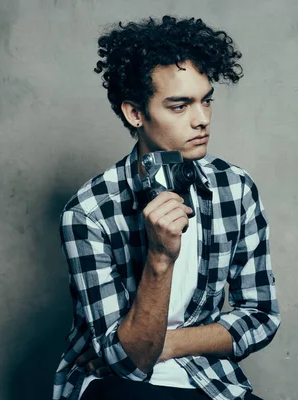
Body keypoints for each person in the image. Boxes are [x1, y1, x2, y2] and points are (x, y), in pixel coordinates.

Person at [53, 15, 280, 400]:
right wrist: (159, 257)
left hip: (209, 379)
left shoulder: (234, 187)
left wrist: (171, 342)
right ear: (135, 114)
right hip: (119, 386)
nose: (202, 119)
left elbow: (261, 317)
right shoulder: (89, 212)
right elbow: (129, 362)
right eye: (180, 106)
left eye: (206, 100)